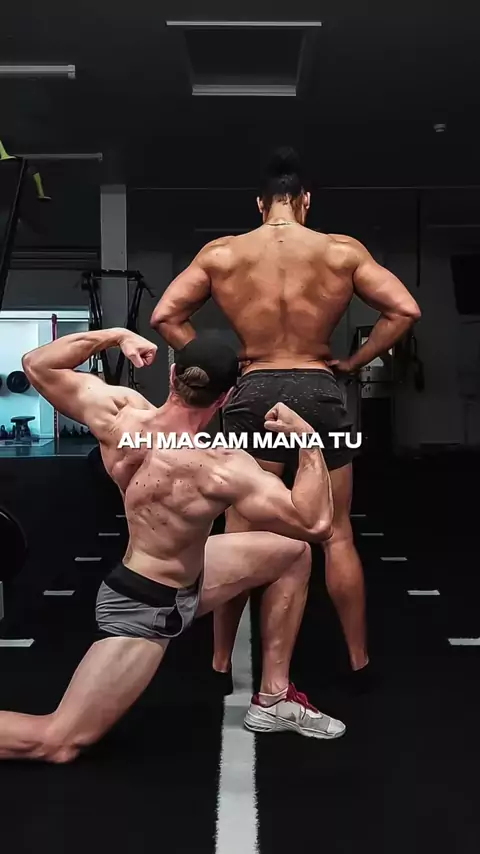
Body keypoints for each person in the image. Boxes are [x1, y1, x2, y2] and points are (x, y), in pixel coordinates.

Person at [0, 328, 344, 763]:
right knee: (57, 741)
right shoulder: (223, 468)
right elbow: (316, 521)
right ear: (226, 398)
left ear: (173, 375)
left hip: (183, 577)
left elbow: (37, 363)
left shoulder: (119, 415)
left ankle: (274, 699)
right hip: (143, 609)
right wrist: (308, 439)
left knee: (292, 554)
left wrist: (117, 336)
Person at [150, 147, 421, 691]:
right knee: (336, 533)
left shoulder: (223, 252)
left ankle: (220, 661)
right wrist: (354, 362)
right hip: (317, 387)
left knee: (240, 530)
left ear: (259, 203)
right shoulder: (341, 250)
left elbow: (165, 316)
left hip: (253, 390)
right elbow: (404, 310)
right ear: (305, 201)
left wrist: (222, 369)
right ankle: (359, 660)